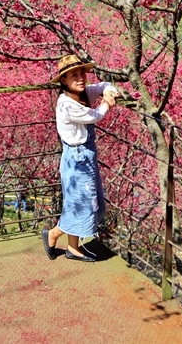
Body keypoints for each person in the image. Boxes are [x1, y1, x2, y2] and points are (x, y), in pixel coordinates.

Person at [42, 54, 118, 262]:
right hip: (76, 158)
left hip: (86, 155)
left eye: (82, 73)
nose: (80, 78)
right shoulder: (67, 104)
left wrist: (109, 92)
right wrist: (106, 104)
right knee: (81, 202)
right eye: (73, 75)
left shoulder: (82, 93)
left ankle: (73, 248)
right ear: (64, 81)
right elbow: (94, 116)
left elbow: (104, 84)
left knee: (83, 201)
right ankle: (54, 234)